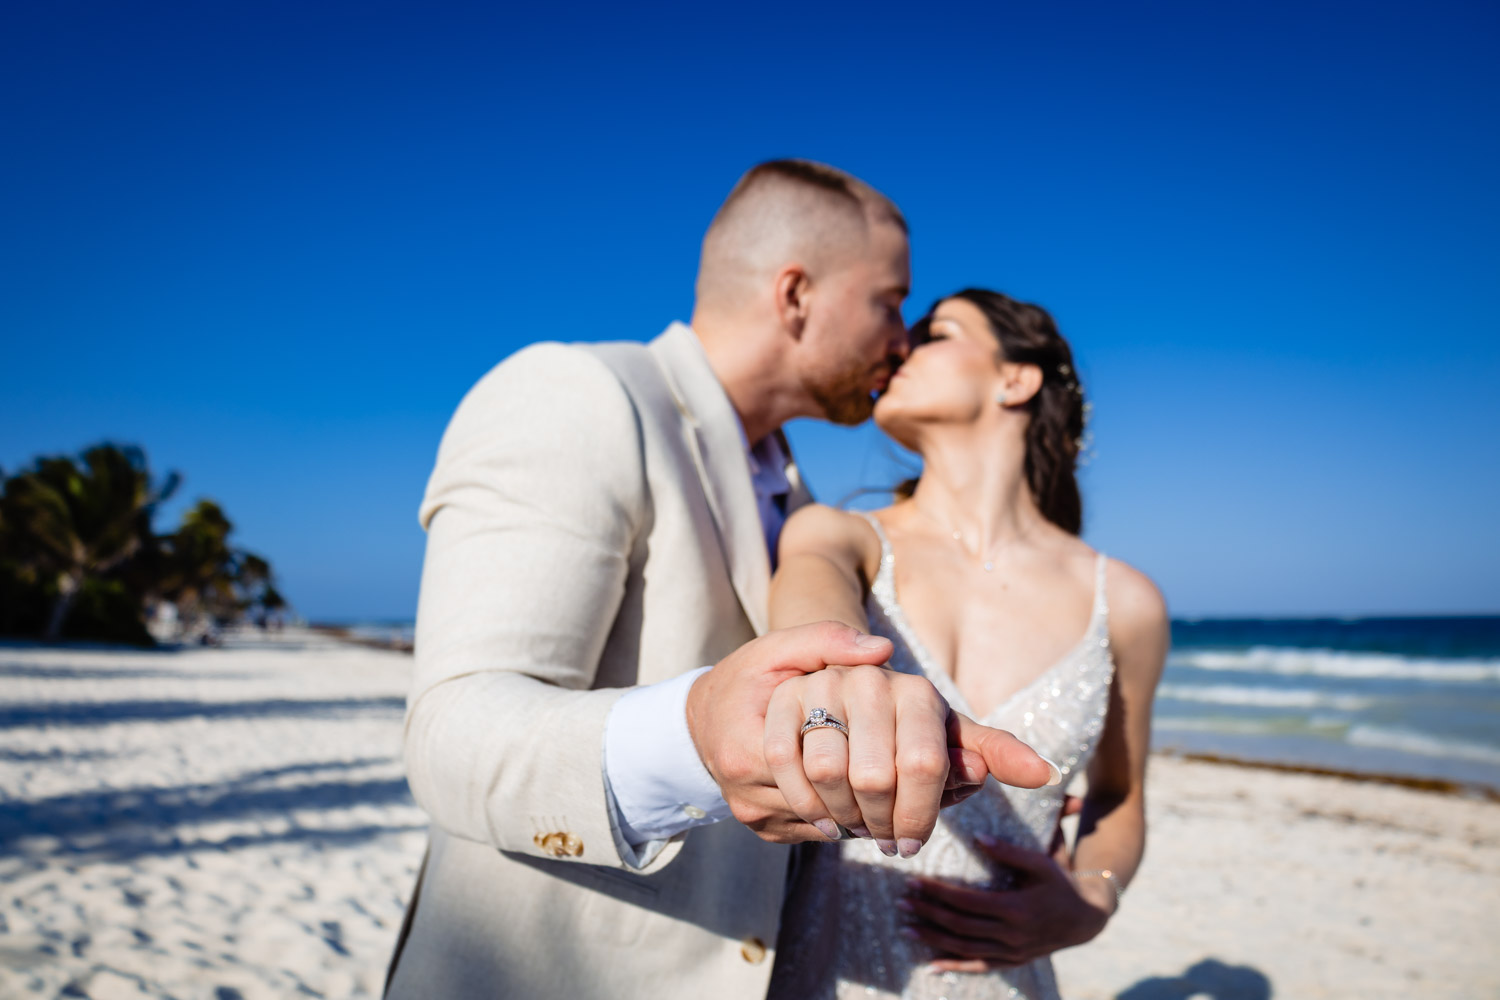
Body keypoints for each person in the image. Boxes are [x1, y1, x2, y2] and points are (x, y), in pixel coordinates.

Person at [383, 165, 1057, 1000]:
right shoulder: (581, 395)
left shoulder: (804, 503)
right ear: (796, 295)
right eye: (889, 302)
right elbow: (451, 735)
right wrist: (695, 741)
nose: (901, 339)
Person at [765, 289, 1170, 1000]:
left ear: (1017, 379)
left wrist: (1091, 899)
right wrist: (833, 678)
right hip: (830, 969)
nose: (899, 348)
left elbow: (1119, 794)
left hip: (1005, 978)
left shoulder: (1127, 602)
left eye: (936, 334)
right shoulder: (837, 538)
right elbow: (815, 642)